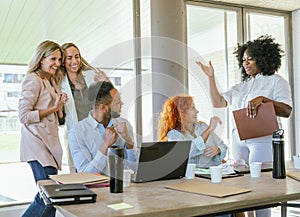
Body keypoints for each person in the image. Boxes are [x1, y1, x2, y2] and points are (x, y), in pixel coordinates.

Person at [196, 35, 293, 217]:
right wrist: (211, 77)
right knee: (243, 186)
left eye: (250, 58)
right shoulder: (243, 85)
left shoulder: (276, 81)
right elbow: (218, 102)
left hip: (262, 140)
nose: (246, 63)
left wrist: (264, 100)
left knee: (261, 188)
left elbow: (287, 110)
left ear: (263, 58)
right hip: (238, 139)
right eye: (243, 60)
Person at [19, 40, 68, 217]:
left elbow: (57, 118)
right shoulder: (33, 79)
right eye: (53, 59)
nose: (57, 63)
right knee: (48, 193)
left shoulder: (52, 82)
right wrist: (53, 108)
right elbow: (24, 116)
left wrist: (60, 106)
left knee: (51, 197)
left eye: (59, 59)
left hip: (49, 144)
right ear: (41, 59)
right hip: (37, 144)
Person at [68, 81, 138, 175]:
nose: (122, 103)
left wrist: (129, 141)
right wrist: (105, 145)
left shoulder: (124, 125)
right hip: (95, 189)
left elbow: (135, 168)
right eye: (117, 101)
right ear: (103, 108)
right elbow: (85, 175)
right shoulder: (77, 134)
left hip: (124, 187)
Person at [60, 42, 109, 172]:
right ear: (63, 61)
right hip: (77, 133)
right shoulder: (60, 83)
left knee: (102, 168)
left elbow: (109, 97)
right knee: (81, 172)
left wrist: (106, 81)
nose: (74, 61)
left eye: (77, 56)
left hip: (96, 129)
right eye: (69, 58)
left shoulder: (91, 76)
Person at [158, 95, 227, 168]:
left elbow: (223, 146)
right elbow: (190, 152)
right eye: (193, 108)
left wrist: (218, 150)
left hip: (215, 172)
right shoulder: (174, 135)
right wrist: (210, 128)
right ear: (181, 113)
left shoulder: (203, 127)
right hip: (194, 177)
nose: (197, 111)